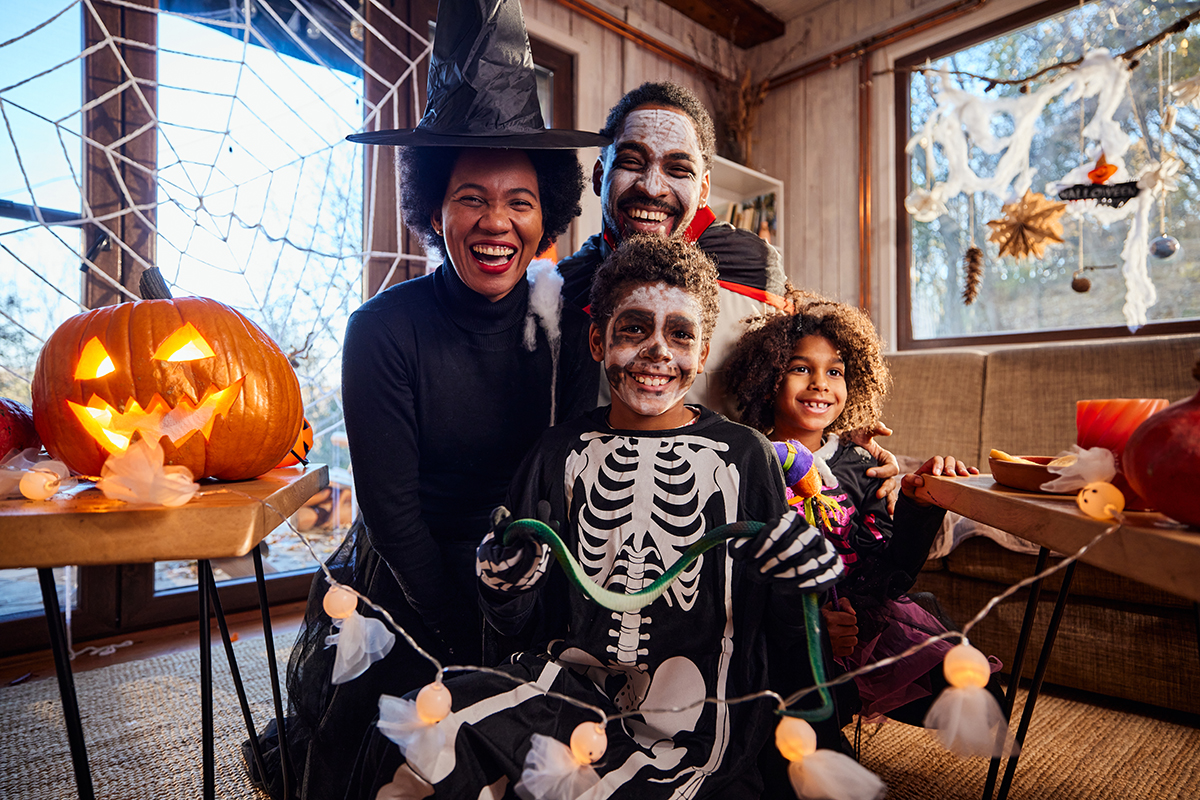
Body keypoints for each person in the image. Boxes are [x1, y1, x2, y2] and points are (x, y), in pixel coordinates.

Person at [243, 1, 610, 798]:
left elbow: (580, 475)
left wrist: (528, 611)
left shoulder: (569, 328)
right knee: (407, 756)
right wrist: (463, 633)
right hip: (414, 581)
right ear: (432, 208)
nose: (496, 221)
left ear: (546, 212)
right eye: (471, 196)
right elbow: (393, 511)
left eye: (520, 200)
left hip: (531, 567)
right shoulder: (380, 330)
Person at [350, 235, 845, 799]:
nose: (659, 351)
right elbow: (516, 627)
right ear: (596, 340)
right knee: (422, 735)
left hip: (704, 721)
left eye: (680, 334)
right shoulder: (555, 453)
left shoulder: (746, 455)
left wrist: (799, 579)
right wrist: (505, 586)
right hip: (563, 693)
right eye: (634, 328)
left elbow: (775, 627)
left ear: (702, 353)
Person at [556, 80, 903, 505]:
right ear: (599, 173)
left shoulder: (752, 266)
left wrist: (845, 442)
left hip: (731, 501)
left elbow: (801, 371)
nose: (652, 187)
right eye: (631, 161)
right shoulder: (563, 285)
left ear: (703, 188)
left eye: (678, 169)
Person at [722, 292, 1000, 732]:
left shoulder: (861, 463)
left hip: (862, 623)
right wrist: (805, 625)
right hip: (776, 632)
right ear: (768, 377)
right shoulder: (745, 458)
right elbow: (733, 570)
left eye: (835, 371)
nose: (820, 383)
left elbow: (890, 575)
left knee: (983, 701)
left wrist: (918, 504)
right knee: (813, 710)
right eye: (800, 368)